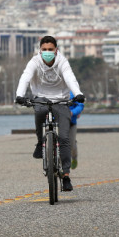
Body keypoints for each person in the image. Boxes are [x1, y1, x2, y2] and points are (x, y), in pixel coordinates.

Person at [15, 35, 85, 192]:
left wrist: (78, 93)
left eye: (50, 50)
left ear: (56, 50)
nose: (47, 52)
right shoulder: (34, 62)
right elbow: (25, 77)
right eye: (44, 50)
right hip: (41, 98)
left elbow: (70, 78)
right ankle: (41, 143)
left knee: (65, 138)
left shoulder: (62, 61)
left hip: (61, 100)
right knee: (39, 112)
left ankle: (66, 175)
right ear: (40, 50)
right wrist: (19, 95)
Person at [69, 91, 84, 169]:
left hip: (71, 122)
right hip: (57, 122)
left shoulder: (73, 92)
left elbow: (80, 105)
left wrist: (73, 112)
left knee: (72, 144)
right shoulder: (54, 91)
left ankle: (74, 158)